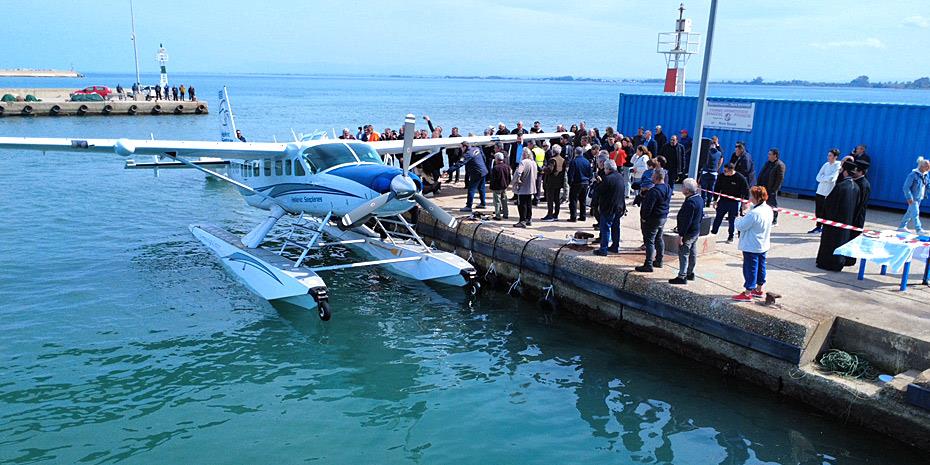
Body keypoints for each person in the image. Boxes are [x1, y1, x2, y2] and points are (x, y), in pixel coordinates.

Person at [816, 160, 861, 271]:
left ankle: (827, 264)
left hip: (834, 222)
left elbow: (829, 204)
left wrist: (824, 217)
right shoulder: (856, 187)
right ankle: (838, 263)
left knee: (831, 244)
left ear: (845, 172)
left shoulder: (841, 186)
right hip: (847, 222)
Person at [732, 186, 774, 301]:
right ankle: (759, 289)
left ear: (756, 197)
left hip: (752, 245)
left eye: (751, 196)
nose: (750, 198)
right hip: (763, 244)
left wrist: (739, 216)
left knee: (750, 269)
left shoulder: (754, 214)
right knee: (761, 267)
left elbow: (741, 226)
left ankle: (747, 293)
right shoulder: (768, 209)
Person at [635, 169, 672, 272]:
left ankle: (648, 264)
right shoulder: (668, 188)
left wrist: (644, 218)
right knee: (659, 238)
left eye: (652, 175)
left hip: (653, 219)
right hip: (662, 217)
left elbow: (648, 208)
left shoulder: (654, 191)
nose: (651, 177)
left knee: (649, 241)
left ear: (656, 177)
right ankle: (659, 260)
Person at [670, 178, 704, 284]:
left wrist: (680, 235)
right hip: (695, 230)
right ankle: (690, 272)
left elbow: (686, 221)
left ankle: (682, 276)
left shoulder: (690, 203)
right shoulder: (699, 199)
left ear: (688, 190)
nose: (682, 189)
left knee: (684, 253)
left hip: (688, 233)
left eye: (683, 187)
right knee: (693, 252)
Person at [593, 160, 627, 256]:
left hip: (609, 208)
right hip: (619, 207)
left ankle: (603, 249)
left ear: (608, 169)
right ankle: (615, 246)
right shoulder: (620, 177)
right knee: (616, 227)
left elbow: (599, 191)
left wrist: (598, 182)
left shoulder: (607, 179)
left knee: (605, 228)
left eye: (604, 168)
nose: (604, 170)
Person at [711, 163, 750, 243]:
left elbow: (746, 190)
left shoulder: (740, 178)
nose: (724, 172)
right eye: (724, 170)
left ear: (731, 170)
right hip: (723, 201)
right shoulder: (722, 176)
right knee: (718, 218)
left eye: (726, 171)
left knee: (732, 220)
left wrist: (745, 203)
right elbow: (717, 188)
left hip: (734, 203)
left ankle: (730, 236)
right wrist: (715, 200)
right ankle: (713, 233)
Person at [809, 149, 841, 233]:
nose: (828, 157)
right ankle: (818, 227)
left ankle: (825, 228)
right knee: (818, 210)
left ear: (835, 157)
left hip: (828, 192)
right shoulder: (826, 165)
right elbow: (818, 177)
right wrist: (825, 178)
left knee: (826, 211)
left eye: (830, 155)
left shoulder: (838, 165)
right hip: (820, 191)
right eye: (828, 155)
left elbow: (832, 178)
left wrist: (824, 178)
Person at [898, 157, 930, 235]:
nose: (929, 168)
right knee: (915, 213)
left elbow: (928, 184)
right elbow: (906, 187)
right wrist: (909, 197)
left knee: (909, 212)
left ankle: (902, 227)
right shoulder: (913, 175)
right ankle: (918, 229)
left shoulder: (926, 174)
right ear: (922, 166)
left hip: (919, 197)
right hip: (913, 198)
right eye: (927, 166)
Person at [755, 148, 786, 225]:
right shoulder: (768, 163)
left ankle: (774, 220)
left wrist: (774, 190)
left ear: (775, 155)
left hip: (771, 189)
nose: (768, 156)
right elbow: (762, 173)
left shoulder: (780, 165)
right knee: (761, 203)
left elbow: (780, 179)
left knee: (772, 204)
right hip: (763, 187)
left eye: (770, 154)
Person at [511, 147, 538, 228]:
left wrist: (517, 180)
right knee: (529, 203)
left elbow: (519, 172)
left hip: (523, 187)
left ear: (524, 154)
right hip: (531, 186)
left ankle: (522, 220)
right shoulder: (533, 162)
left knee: (521, 204)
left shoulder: (523, 162)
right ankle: (528, 219)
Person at [566, 146, 592, 222]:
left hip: (576, 183)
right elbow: (590, 173)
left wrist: (570, 183)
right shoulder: (587, 161)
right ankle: (583, 216)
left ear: (575, 153)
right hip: (585, 183)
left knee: (573, 200)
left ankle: (573, 217)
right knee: (583, 200)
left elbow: (570, 174)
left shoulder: (574, 162)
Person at [542, 144, 566, 221]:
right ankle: (556, 215)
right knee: (556, 199)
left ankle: (550, 215)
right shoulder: (563, 159)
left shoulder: (553, 160)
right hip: (559, 182)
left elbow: (549, 170)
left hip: (551, 182)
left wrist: (544, 168)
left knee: (550, 199)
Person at [700, 140, 723, 207]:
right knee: (711, 189)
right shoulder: (719, 153)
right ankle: (708, 203)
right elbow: (721, 157)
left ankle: (703, 202)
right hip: (714, 173)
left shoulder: (707, 152)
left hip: (706, 172)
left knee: (704, 189)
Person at [490, 152, 512, 221]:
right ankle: (506, 214)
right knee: (504, 200)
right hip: (504, 186)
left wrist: (491, 187)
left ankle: (498, 215)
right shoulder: (507, 167)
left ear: (497, 159)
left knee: (497, 201)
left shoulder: (495, 168)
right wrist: (507, 184)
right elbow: (509, 177)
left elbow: (493, 179)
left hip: (497, 187)